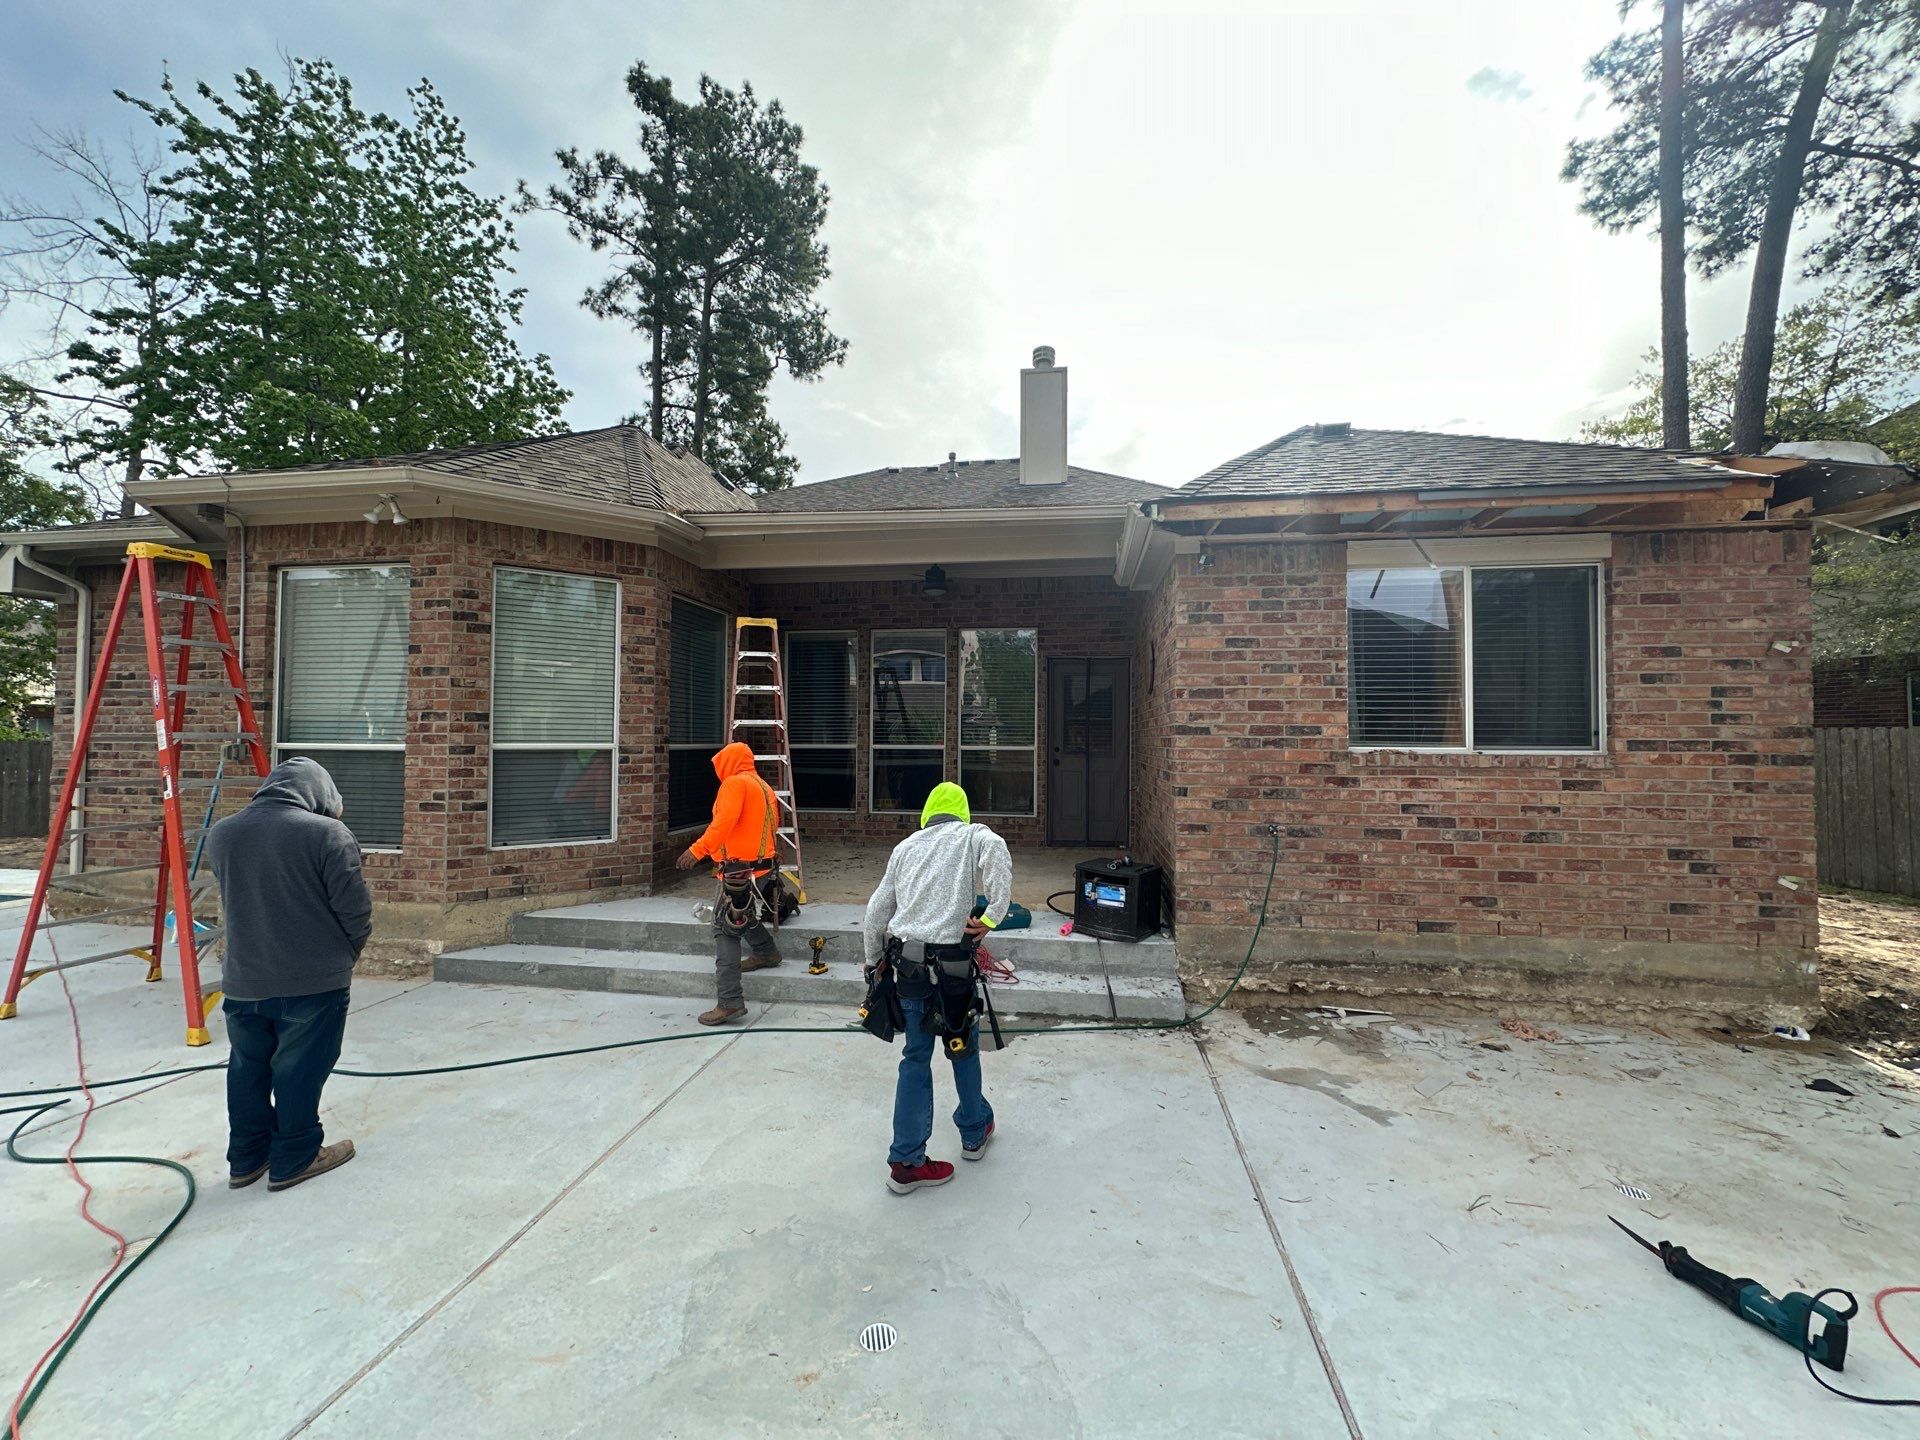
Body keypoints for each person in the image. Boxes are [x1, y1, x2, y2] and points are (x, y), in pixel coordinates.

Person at [204, 757, 371, 1193]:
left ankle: (246, 1157)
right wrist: (344, 955)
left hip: (243, 981)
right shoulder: (327, 833)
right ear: (318, 793)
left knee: (247, 1069)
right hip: (313, 983)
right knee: (299, 1070)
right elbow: (355, 909)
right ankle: (296, 1156)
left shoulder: (221, 834)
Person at [861, 781, 1011, 1195]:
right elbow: (996, 845)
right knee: (962, 1047)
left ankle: (907, 1162)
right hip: (953, 970)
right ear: (961, 812)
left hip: (909, 969)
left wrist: (874, 964)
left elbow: (876, 913)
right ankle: (974, 1131)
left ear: (927, 814)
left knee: (915, 1057)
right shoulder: (972, 835)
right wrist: (993, 916)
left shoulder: (906, 848)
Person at [676, 741, 784, 1026]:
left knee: (724, 930)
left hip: (737, 873)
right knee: (742, 915)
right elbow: (771, 826)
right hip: (760, 869)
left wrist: (697, 850)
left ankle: (730, 1002)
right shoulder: (764, 787)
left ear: (728, 763)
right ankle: (766, 952)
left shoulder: (734, 785)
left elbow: (723, 823)